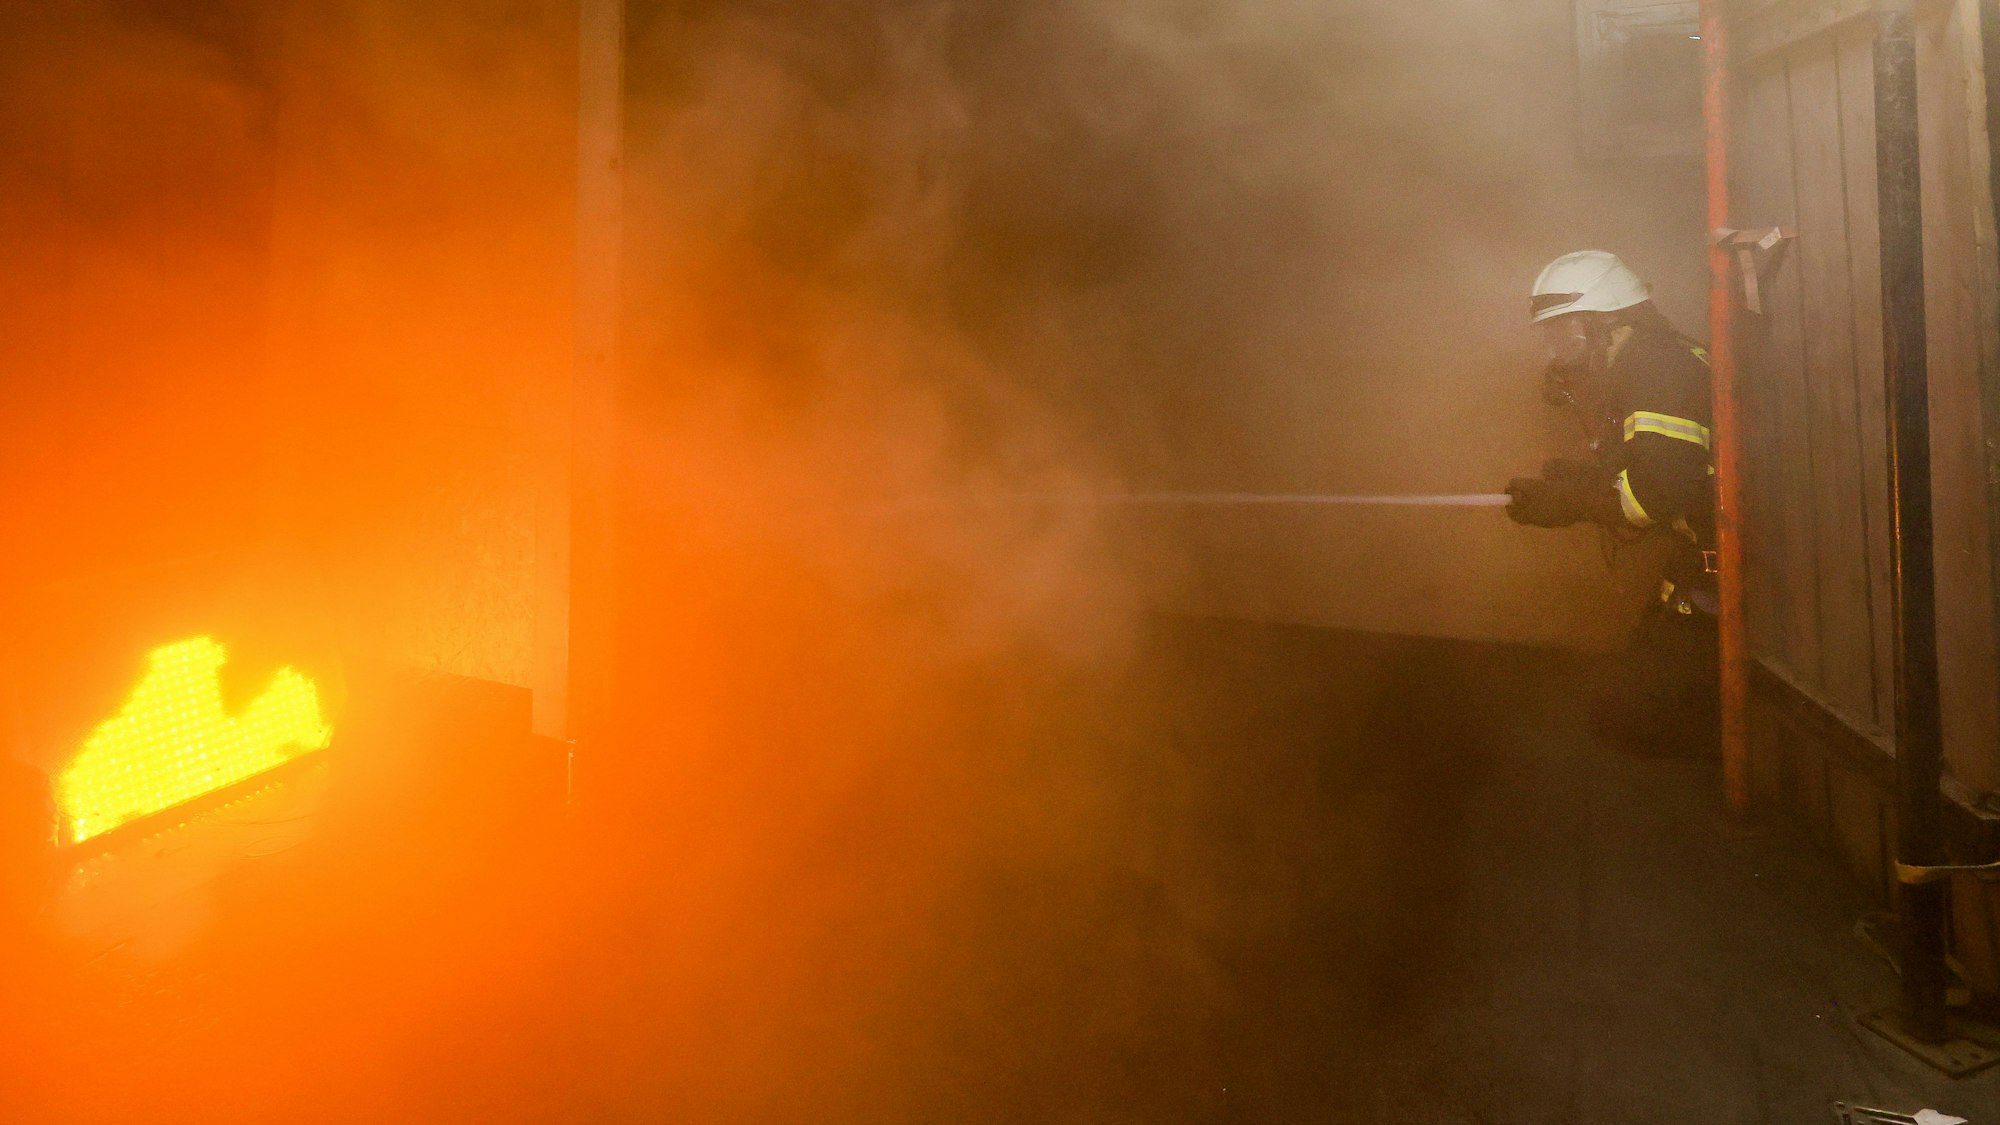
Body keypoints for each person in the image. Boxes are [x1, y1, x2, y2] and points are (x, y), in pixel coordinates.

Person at [1504, 250, 1719, 756]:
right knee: (1628, 708)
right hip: (1700, 562)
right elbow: (1653, 463)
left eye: (1565, 334)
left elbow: (1658, 490)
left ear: (1608, 321)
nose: (1557, 352)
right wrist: (1582, 479)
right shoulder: (1645, 363)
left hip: (1727, 570)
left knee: (1641, 723)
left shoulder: (1657, 366)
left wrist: (1572, 501)